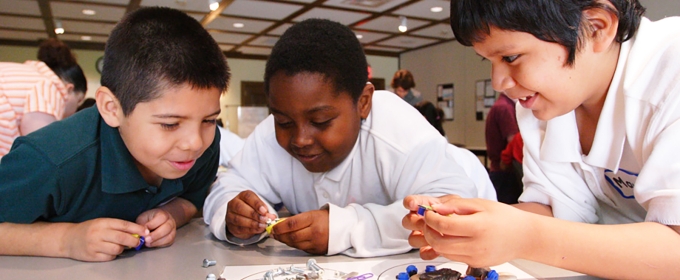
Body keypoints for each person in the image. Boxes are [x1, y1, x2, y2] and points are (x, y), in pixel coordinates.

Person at [402, 0, 680, 278]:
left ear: (596, 28)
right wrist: (470, 225)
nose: (498, 82)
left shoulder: (671, 70)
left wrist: (526, 236)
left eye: (510, 57)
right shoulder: (545, 105)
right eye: (489, 61)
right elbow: (559, 210)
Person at [203, 18, 496, 258]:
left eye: (321, 121)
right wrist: (231, 210)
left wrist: (346, 228)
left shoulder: (396, 128)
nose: (301, 138)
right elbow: (227, 184)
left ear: (363, 102)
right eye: (284, 121)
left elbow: (450, 204)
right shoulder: (270, 135)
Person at [0, 6, 230, 262]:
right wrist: (66, 240)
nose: (195, 142)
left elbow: (194, 197)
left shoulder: (205, 146)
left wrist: (173, 214)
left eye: (209, 120)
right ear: (112, 108)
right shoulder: (50, 161)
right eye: (170, 124)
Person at [0, 39, 87, 157]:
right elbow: (39, 148)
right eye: (79, 101)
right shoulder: (48, 86)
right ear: (69, 89)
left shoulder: (21, 72)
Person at [485, 93, 522, 204]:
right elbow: (513, 142)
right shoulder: (505, 108)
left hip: (502, 171)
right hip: (504, 173)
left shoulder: (503, 105)